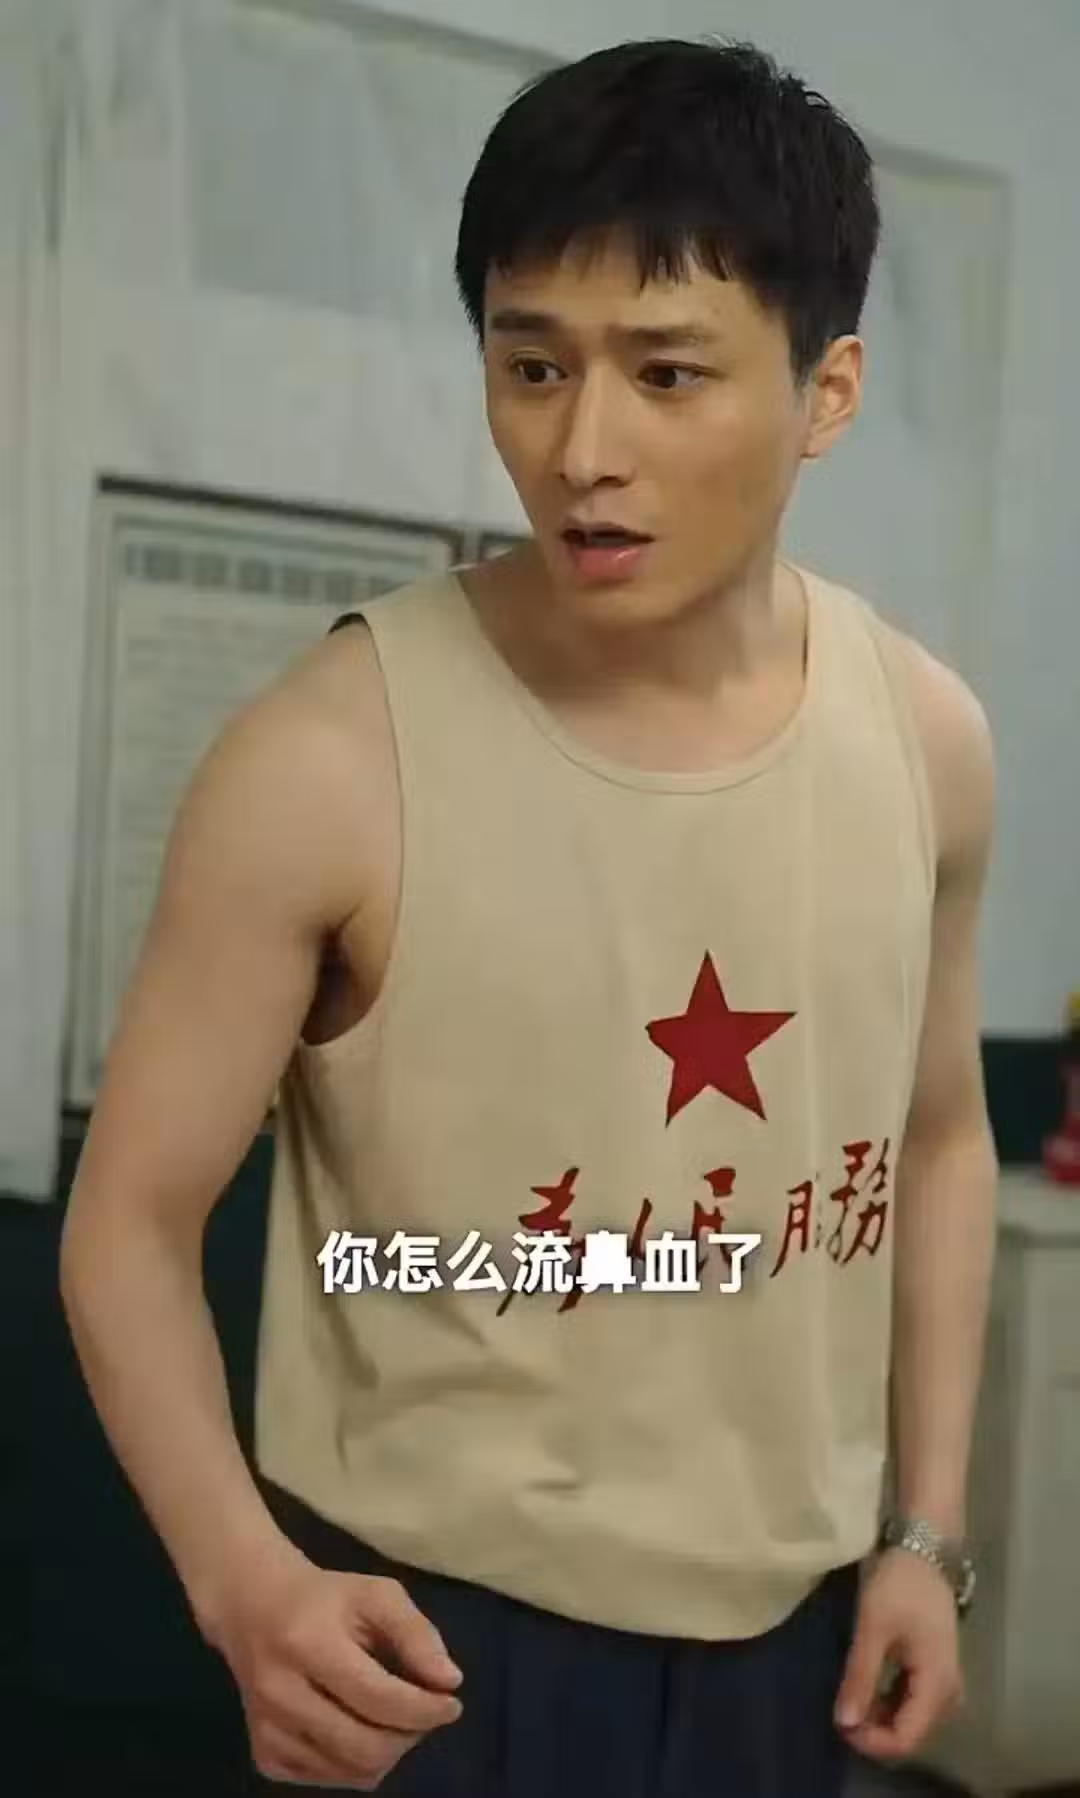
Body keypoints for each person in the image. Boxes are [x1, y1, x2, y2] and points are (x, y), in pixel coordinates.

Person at [59, 35, 1000, 1798]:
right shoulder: (326, 759)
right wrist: (243, 1578)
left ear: (827, 391)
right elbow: (127, 1222)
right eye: (532, 364)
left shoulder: (927, 739)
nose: (582, 449)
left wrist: (924, 1532)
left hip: (789, 1636)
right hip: (432, 1639)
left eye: (667, 372)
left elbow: (941, 1137)